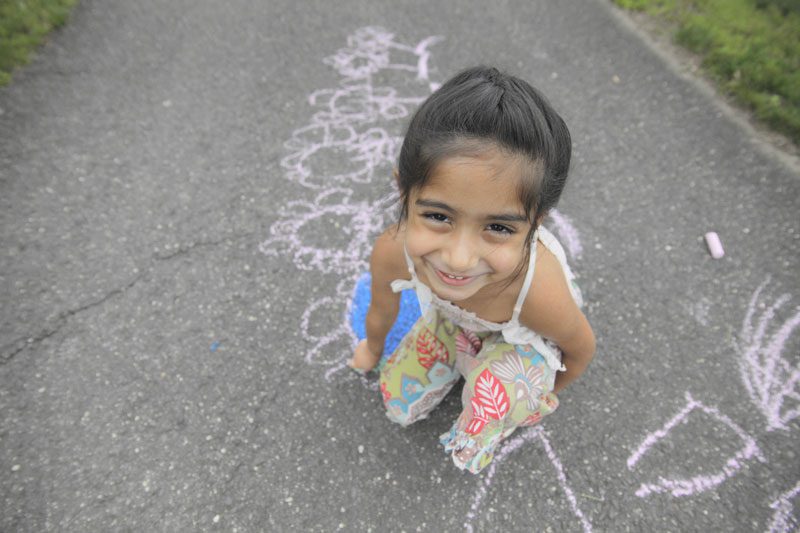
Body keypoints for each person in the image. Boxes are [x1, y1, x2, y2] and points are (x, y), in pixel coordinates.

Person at [347, 66, 596, 474]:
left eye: (498, 227)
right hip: (456, 322)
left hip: (522, 341)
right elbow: (381, 309)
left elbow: (581, 348)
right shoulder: (393, 250)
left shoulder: (536, 292)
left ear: (536, 224)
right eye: (438, 216)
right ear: (404, 193)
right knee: (397, 401)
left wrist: (540, 396)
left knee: (494, 397)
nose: (459, 259)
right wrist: (372, 349)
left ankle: (499, 390)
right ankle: (466, 356)